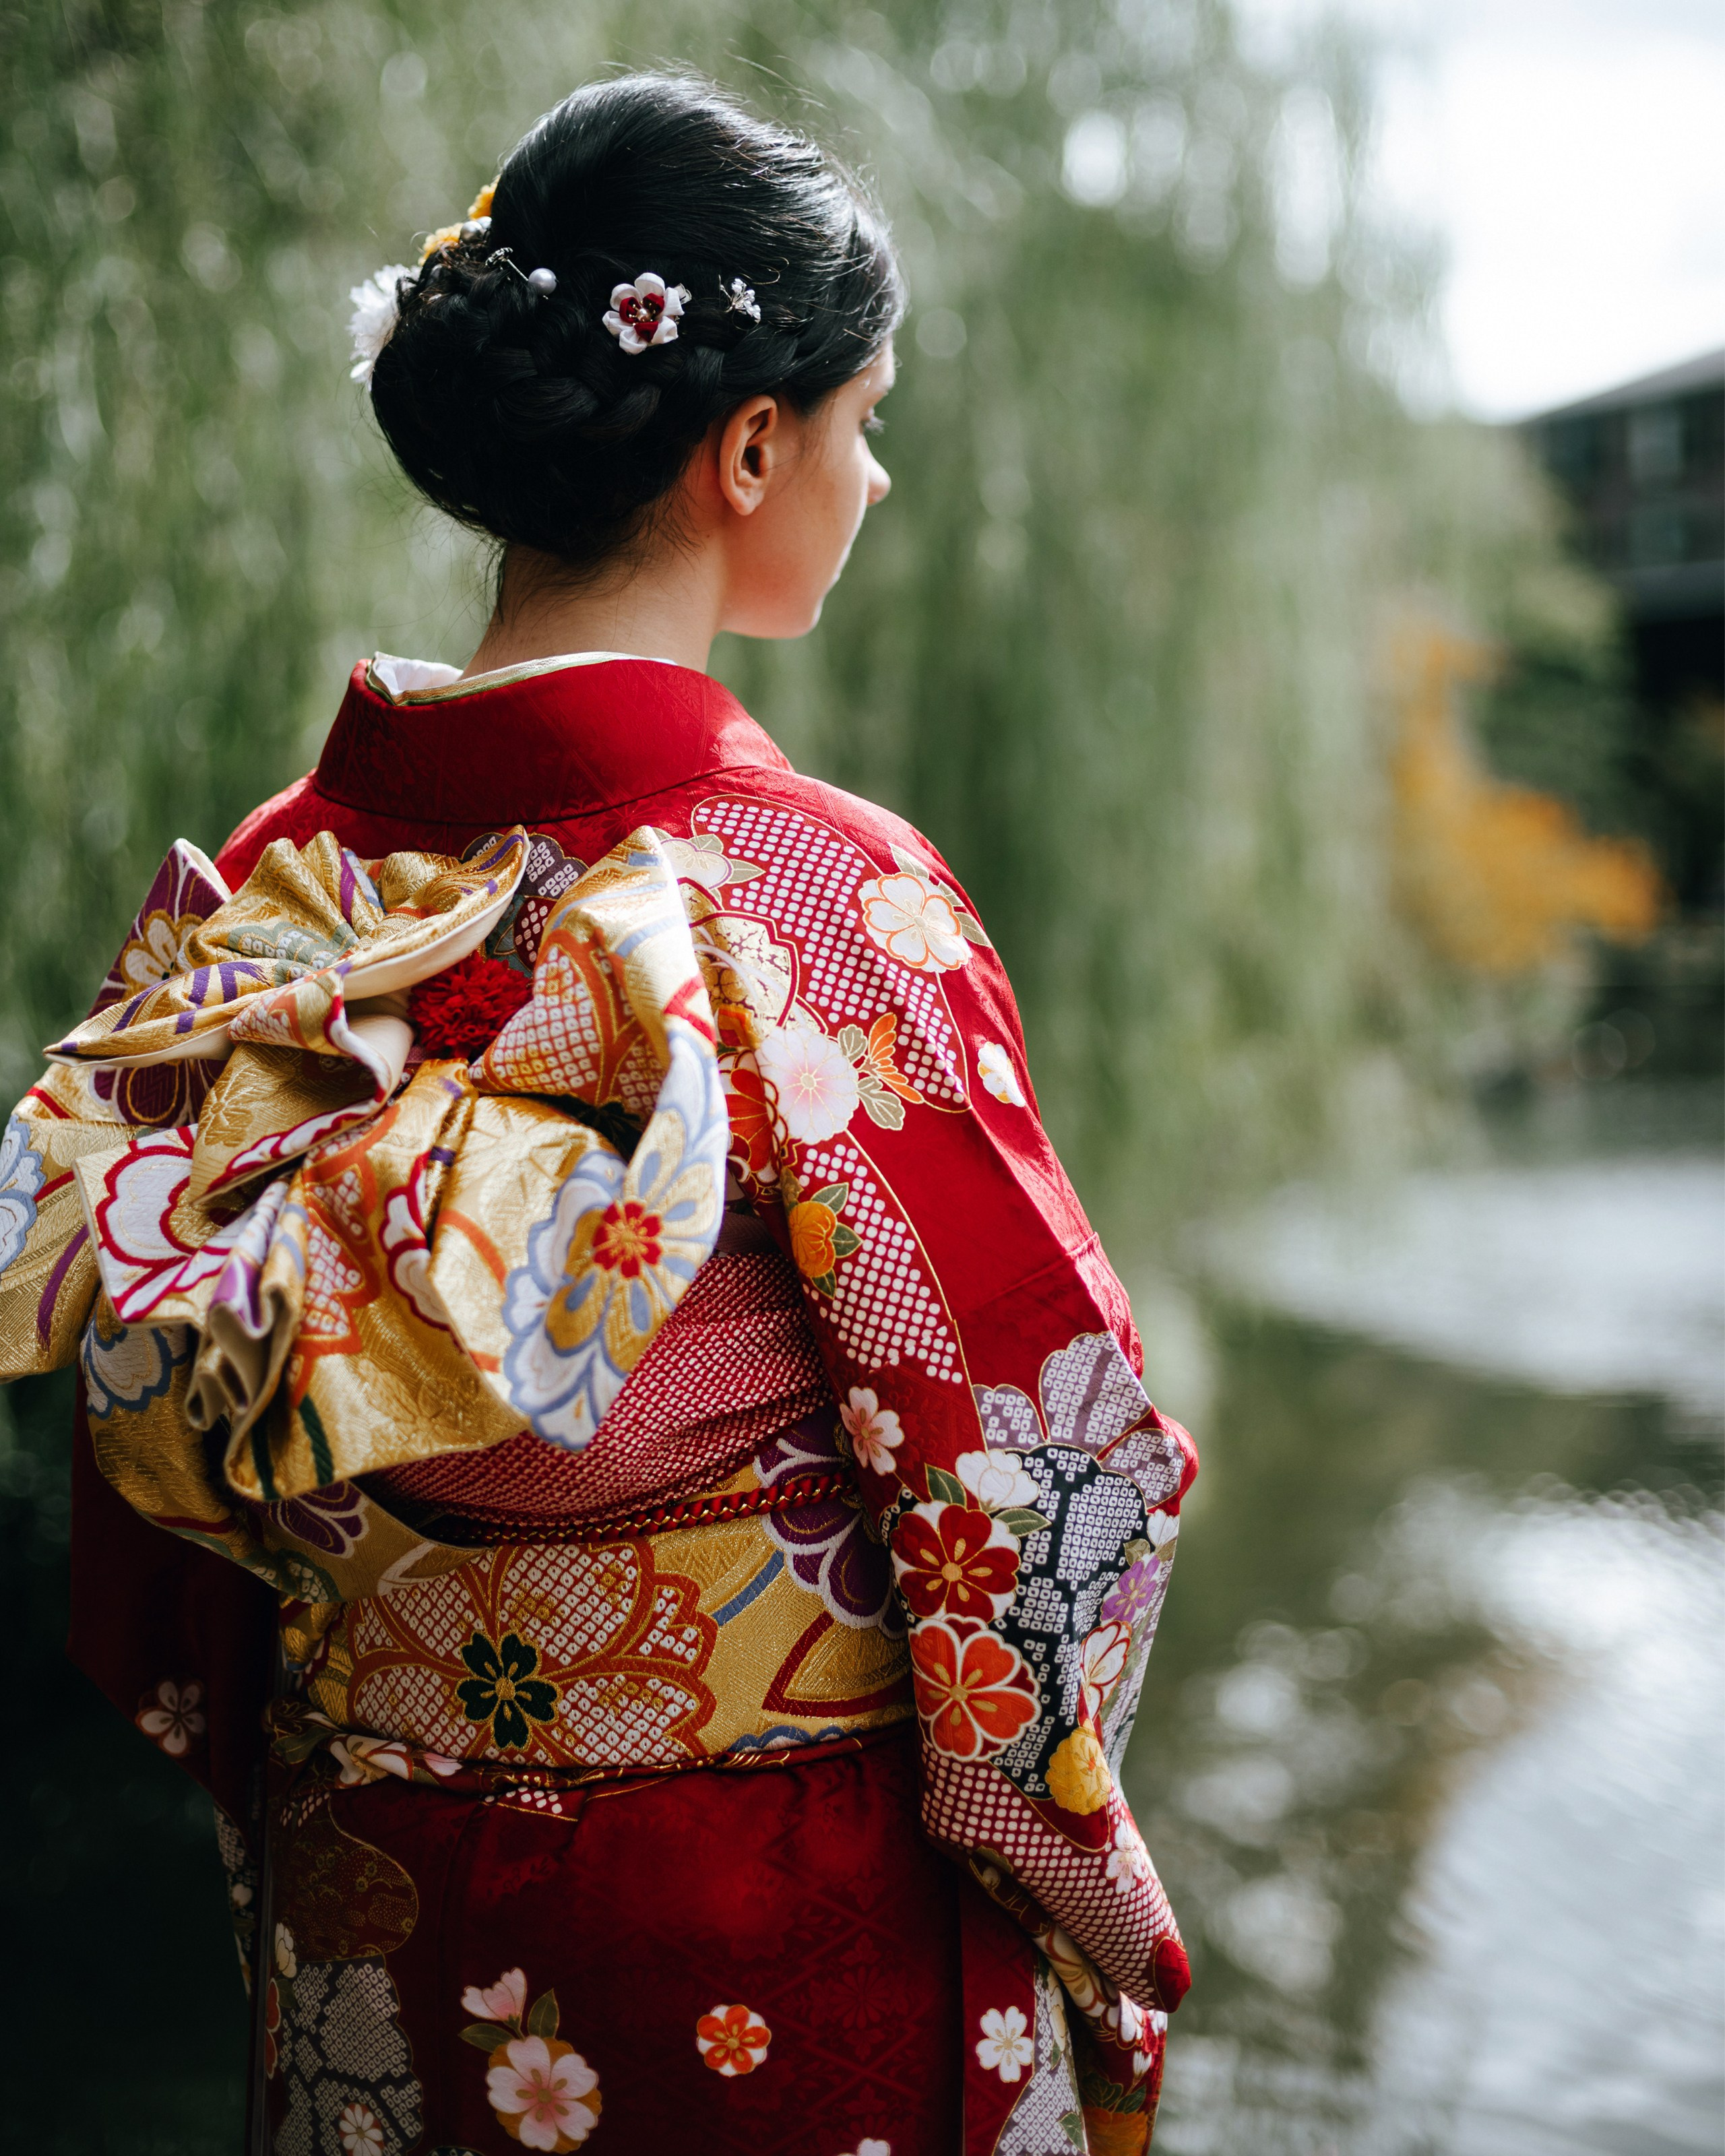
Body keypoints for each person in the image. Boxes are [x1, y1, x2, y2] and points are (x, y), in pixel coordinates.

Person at [0, 71, 1195, 2156]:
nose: (882, 475)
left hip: (367, 1879)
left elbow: (164, 1469)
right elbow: (1028, 1465)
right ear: (749, 451)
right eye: (865, 418)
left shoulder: (275, 888)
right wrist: (1078, 1876)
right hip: (762, 1915)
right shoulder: (813, 887)